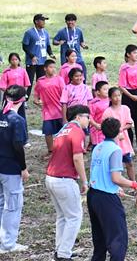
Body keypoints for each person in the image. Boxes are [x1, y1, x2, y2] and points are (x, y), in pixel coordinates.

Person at [88, 117, 137, 261]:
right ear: (119, 132)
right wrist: (135, 184)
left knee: (99, 240)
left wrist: (116, 188)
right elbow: (116, 178)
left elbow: (99, 172)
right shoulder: (115, 150)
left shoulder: (98, 147)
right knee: (118, 241)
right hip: (106, 199)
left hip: (93, 194)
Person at [45, 105, 90, 261]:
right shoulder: (77, 132)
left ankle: (61, 249)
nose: (89, 120)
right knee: (74, 216)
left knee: (63, 216)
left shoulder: (64, 129)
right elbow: (77, 158)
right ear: (78, 117)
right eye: (87, 117)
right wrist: (85, 181)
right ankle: (64, 253)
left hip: (51, 177)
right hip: (64, 179)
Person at [0, 86, 29, 253]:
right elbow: (18, 146)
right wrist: (23, 168)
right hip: (10, 169)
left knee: (1, 202)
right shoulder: (17, 120)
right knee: (13, 206)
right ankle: (8, 243)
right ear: (23, 99)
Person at [102, 87, 135, 182]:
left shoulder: (125, 109)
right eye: (115, 96)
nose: (117, 98)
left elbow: (129, 123)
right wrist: (115, 133)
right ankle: (116, 183)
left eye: (119, 95)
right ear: (110, 98)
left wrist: (120, 129)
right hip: (113, 142)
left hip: (124, 141)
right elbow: (105, 127)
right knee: (115, 166)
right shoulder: (107, 112)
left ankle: (133, 181)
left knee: (129, 163)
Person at [32, 60, 65, 153]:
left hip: (60, 111)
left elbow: (64, 94)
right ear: (45, 68)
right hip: (47, 112)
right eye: (51, 67)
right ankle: (51, 151)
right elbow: (36, 93)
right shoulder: (41, 81)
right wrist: (36, 101)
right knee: (48, 132)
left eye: (54, 67)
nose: (53, 69)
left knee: (63, 132)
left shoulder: (59, 79)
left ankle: (63, 150)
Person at [118, 45, 137, 151]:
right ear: (128, 55)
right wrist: (131, 96)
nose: (136, 55)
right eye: (134, 53)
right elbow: (121, 86)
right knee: (127, 121)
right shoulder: (124, 67)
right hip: (128, 94)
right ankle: (128, 145)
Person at [22, 14, 54, 98]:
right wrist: (32, 56)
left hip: (42, 61)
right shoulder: (29, 33)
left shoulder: (45, 33)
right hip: (32, 61)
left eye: (44, 20)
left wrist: (50, 54)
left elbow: (47, 46)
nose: (44, 22)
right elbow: (24, 46)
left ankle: (40, 97)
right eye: (42, 20)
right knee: (29, 81)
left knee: (41, 80)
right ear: (36, 21)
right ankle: (25, 99)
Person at [0, 53, 31, 122]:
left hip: (20, 97)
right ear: (9, 61)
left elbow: (26, 84)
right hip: (9, 98)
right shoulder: (6, 72)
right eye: (12, 60)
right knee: (7, 114)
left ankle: (22, 129)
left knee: (21, 114)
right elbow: (2, 86)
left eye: (16, 59)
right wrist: (10, 93)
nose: (14, 61)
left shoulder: (23, 71)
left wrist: (22, 93)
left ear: (19, 60)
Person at [89, 81, 110, 147]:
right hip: (98, 129)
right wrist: (95, 125)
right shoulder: (94, 103)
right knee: (98, 147)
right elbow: (89, 116)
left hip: (109, 128)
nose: (107, 91)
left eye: (108, 89)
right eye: (104, 89)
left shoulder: (111, 100)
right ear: (98, 92)